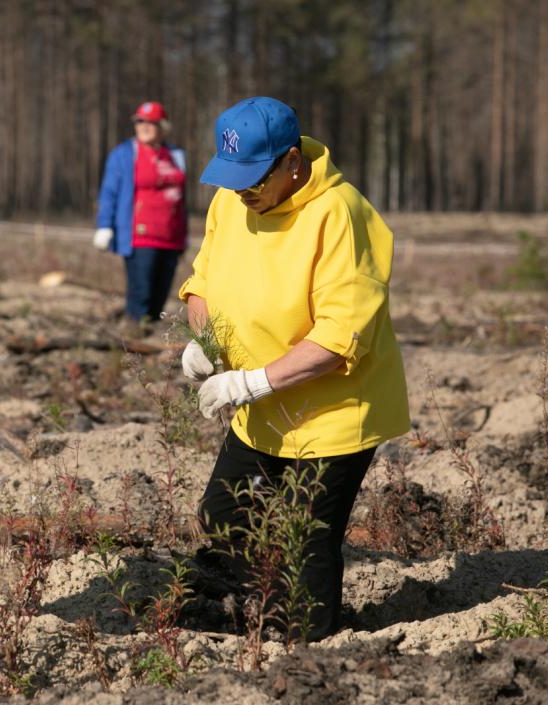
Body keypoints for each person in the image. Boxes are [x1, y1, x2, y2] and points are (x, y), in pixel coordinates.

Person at [179, 97, 410, 641]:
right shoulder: (231, 203)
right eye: (232, 178)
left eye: (255, 178)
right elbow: (203, 282)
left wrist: (250, 381)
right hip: (260, 408)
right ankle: (272, 612)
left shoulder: (340, 214)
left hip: (332, 415)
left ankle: (312, 647)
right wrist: (205, 341)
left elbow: (337, 338)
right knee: (222, 517)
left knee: (309, 537)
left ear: (293, 163)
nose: (243, 191)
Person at [94, 101, 188, 328]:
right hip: (140, 236)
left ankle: (150, 345)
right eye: (140, 121)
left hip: (171, 237)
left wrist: (184, 234)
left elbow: (182, 198)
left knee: (160, 295)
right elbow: (109, 191)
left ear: (163, 127)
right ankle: (133, 339)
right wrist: (105, 225)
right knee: (141, 292)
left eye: (150, 122)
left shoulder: (175, 155)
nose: (144, 126)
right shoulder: (125, 154)